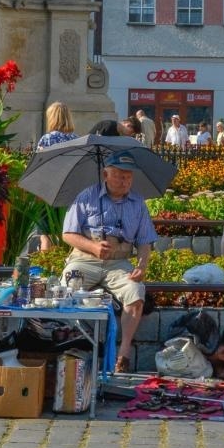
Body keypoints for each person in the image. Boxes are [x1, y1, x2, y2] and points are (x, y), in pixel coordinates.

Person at [61, 151, 158, 373]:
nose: (125, 181)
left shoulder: (137, 202)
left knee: (135, 291)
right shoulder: (87, 196)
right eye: (120, 176)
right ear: (105, 175)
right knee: (67, 287)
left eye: (128, 177)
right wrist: (93, 247)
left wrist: (141, 266)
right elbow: (68, 234)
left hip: (118, 263)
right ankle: (75, 344)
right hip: (85, 259)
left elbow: (145, 241)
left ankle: (123, 353)